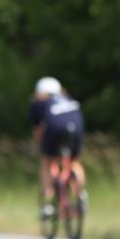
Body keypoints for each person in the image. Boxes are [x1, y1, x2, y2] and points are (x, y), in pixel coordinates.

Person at [29, 77, 86, 219]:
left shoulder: (39, 101)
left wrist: (43, 148)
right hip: (76, 127)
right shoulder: (68, 99)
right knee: (73, 162)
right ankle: (80, 196)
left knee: (47, 161)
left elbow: (38, 131)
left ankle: (48, 201)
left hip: (55, 128)